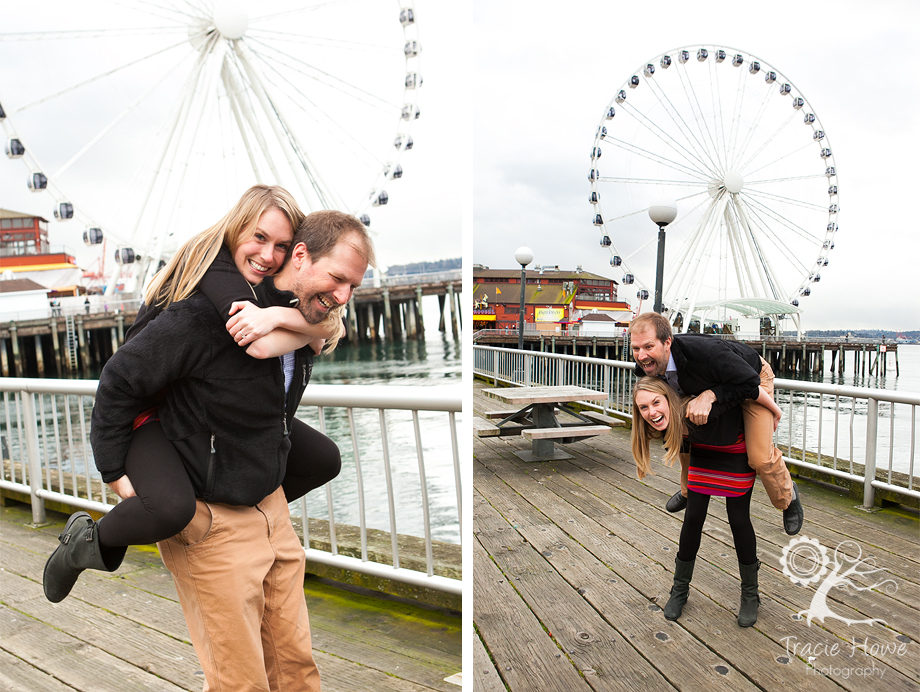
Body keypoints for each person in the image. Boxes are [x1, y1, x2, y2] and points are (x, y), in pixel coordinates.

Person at [46, 206, 374, 691]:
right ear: (303, 258)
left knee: (296, 671)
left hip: (266, 508)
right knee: (238, 680)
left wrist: (303, 320)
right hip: (205, 512)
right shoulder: (210, 313)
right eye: (337, 279)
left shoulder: (307, 312)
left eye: (353, 287)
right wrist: (113, 469)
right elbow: (119, 379)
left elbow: (323, 332)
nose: (344, 296)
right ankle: (87, 544)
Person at [628, 312, 804, 535]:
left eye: (648, 347)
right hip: (712, 381)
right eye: (636, 348)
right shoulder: (647, 364)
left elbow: (750, 383)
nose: (641, 356)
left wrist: (711, 395)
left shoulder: (706, 354)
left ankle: (788, 497)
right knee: (680, 433)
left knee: (759, 457)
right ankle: (687, 490)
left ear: (667, 343)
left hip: (750, 378)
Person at [631, 377, 761, 627]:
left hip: (735, 447)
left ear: (669, 399)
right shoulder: (673, 416)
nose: (651, 411)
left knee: (738, 519)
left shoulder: (695, 407)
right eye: (644, 407)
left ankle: (750, 594)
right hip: (704, 449)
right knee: (693, 517)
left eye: (656, 402)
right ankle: (679, 589)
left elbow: (742, 387)